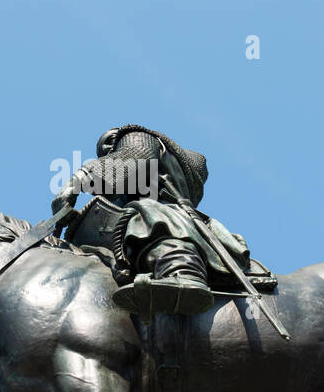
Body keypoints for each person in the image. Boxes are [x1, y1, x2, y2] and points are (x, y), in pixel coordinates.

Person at [52, 125, 247, 317]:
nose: (107, 154)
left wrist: (76, 182)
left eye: (109, 149)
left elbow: (137, 156)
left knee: (146, 217)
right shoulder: (178, 163)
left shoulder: (137, 137)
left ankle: (184, 272)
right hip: (187, 219)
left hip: (169, 215)